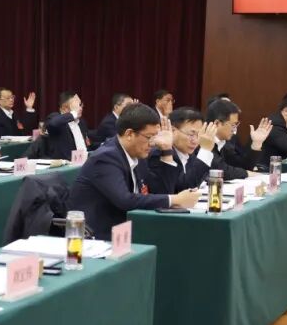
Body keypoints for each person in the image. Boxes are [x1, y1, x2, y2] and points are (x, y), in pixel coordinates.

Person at [67, 103, 200, 240]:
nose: (153, 143)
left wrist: (167, 150)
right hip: (97, 236)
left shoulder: (137, 155)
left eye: (155, 137)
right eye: (149, 137)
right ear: (129, 134)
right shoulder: (106, 158)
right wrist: (174, 199)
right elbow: (125, 200)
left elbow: (160, 191)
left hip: (127, 228)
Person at [146, 108, 218, 195]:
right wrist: (205, 151)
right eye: (191, 134)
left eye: (198, 135)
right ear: (173, 131)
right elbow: (184, 188)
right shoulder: (160, 153)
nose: (195, 141)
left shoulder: (190, 154)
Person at [206, 99, 272, 179]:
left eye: (236, 125)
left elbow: (243, 166)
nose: (234, 130)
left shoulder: (225, 143)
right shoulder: (203, 142)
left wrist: (256, 144)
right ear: (217, 123)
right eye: (233, 125)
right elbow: (220, 170)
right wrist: (246, 173)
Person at [45, 91, 92, 160]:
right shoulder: (55, 118)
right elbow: (53, 123)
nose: (81, 108)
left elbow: (87, 144)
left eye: (80, 104)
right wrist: (74, 113)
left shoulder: (81, 122)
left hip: (85, 161)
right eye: (77, 105)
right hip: (67, 164)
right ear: (65, 108)